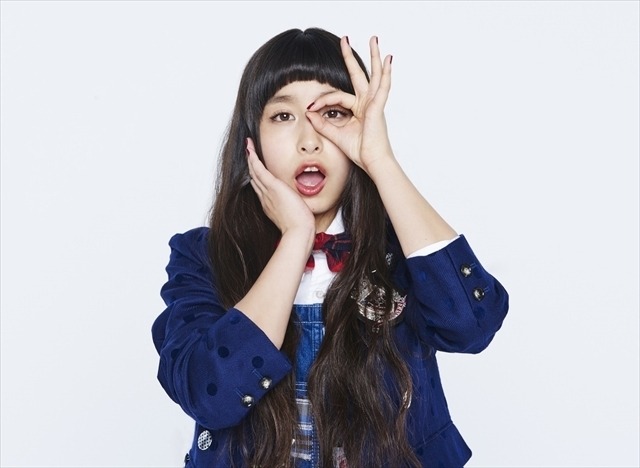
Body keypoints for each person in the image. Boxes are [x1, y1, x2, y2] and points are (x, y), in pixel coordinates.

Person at [152, 27, 509, 468]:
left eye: (333, 113)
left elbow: (473, 326)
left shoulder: (403, 250)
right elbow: (210, 392)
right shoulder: (204, 257)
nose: (309, 140)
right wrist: (295, 238)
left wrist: (380, 161)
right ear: (251, 140)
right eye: (283, 116)